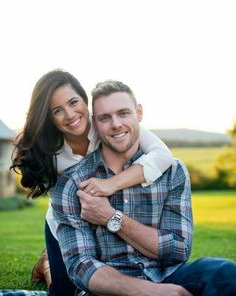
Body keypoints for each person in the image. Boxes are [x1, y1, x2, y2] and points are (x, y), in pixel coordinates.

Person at [51, 80, 236, 296]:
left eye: (123, 113)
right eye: (105, 118)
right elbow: (81, 267)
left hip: (167, 277)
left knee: (224, 273)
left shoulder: (172, 171)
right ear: (94, 123)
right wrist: (149, 292)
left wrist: (111, 217)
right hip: (110, 289)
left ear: (139, 113)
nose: (116, 124)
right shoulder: (72, 184)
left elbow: (178, 250)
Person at [10, 70, 174, 296]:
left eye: (73, 102)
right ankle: (48, 265)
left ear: (84, 100)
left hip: (109, 213)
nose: (69, 114)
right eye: (57, 111)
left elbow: (163, 156)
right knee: (65, 292)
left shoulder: (107, 124)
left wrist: (112, 184)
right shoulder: (47, 152)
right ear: (49, 117)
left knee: (110, 282)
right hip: (66, 223)